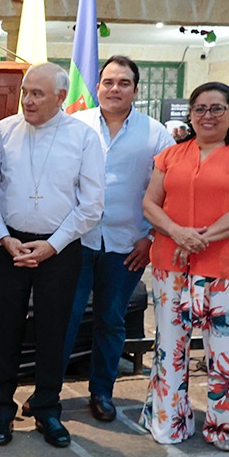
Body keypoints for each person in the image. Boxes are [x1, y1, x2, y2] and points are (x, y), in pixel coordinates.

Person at [140, 82, 229, 455]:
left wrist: (200, 238)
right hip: (171, 263)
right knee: (170, 344)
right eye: (200, 108)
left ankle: (227, 427)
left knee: (228, 347)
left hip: (226, 265)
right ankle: (168, 420)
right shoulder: (171, 154)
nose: (207, 115)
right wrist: (178, 233)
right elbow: (150, 204)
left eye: (217, 108)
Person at [0, 63, 104, 447]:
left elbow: (92, 204)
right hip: (9, 247)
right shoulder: (4, 131)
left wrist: (53, 244)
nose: (27, 101)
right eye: (25, 92)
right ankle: (0, 412)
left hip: (60, 249)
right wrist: (3, 237)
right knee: (4, 331)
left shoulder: (83, 137)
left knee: (53, 331)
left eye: (37, 94)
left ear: (61, 97)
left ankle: (47, 409)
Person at [66, 56, 173, 423]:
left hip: (128, 245)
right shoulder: (74, 125)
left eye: (124, 83)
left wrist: (151, 237)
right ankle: (47, 393)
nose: (115, 89)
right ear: (97, 87)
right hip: (75, 241)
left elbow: (167, 191)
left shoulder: (155, 133)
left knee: (111, 320)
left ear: (135, 90)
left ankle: (102, 392)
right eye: (109, 82)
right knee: (64, 318)